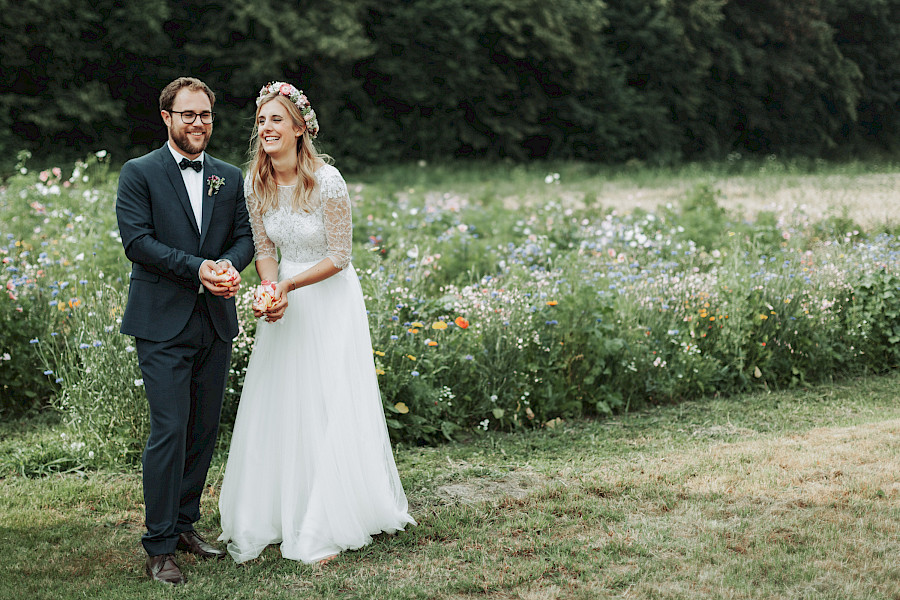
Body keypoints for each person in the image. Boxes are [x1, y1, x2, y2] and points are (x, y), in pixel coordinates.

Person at [217, 81, 415, 564]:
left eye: (276, 120)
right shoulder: (255, 182)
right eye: (261, 121)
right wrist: (269, 290)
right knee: (284, 397)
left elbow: (341, 256)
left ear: (300, 128)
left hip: (327, 298)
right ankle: (278, 510)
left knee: (328, 397)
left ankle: (330, 513)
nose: (266, 128)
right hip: (284, 297)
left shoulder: (327, 180)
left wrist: (288, 287)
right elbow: (264, 251)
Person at [116, 76, 255, 584]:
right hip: (161, 322)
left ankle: (185, 525)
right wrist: (198, 267)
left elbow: (245, 236)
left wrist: (228, 267)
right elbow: (138, 242)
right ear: (167, 118)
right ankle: (158, 545)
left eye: (206, 115)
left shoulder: (228, 176)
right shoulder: (139, 173)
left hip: (215, 321)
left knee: (200, 430)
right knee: (171, 428)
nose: (199, 123)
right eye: (188, 114)